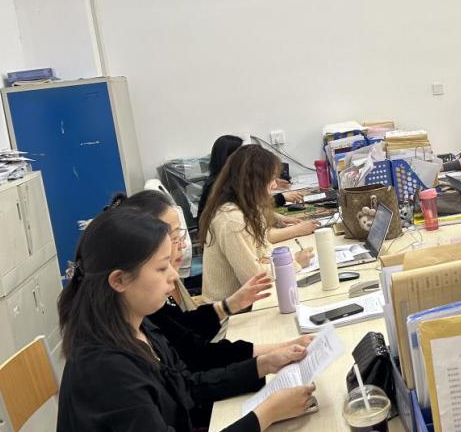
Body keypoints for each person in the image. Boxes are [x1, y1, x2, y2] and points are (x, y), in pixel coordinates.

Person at [53, 206, 318, 432]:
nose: (174, 276)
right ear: (119, 280)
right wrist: (266, 414)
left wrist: (262, 365)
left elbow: (187, 384)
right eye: (161, 267)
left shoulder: (136, 324)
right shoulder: (105, 367)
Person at [115, 190, 312, 370]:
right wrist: (272, 356)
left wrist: (229, 305)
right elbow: (195, 356)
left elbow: (185, 330)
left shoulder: (158, 285)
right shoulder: (144, 309)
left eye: (179, 235)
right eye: (174, 237)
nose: (183, 245)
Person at [199, 145, 314, 303]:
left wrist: (266, 262)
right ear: (254, 182)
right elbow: (255, 279)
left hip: (247, 302)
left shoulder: (247, 206)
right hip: (232, 313)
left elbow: (264, 250)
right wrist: (294, 263)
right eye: (271, 179)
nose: (275, 185)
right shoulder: (232, 219)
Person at [198, 135, 312, 244]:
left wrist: (277, 218)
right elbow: (258, 237)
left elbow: (253, 209)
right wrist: (297, 230)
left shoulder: (230, 183)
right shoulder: (226, 199)